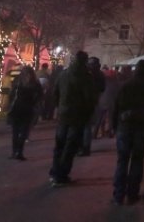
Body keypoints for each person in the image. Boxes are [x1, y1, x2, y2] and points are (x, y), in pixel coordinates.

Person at [49, 51, 97, 187]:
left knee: (60, 144)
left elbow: (55, 93)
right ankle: (62, 174)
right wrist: (88, 112)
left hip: (64, 114)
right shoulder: (86, 77)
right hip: (78, 115)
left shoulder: (63, 74)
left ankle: (55, 172)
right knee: (70, 145)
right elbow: (90, 98)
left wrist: (59, 107)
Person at [111, 59, 144, 205]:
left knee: (122, 160)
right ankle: (132, 193)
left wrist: (114, 125)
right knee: (137, 160)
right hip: (141, 127)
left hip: (125, 125)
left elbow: (116, 106)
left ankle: (118, 194)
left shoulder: (126, 85)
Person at [7, 67, 43, 160]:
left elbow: (12, 95)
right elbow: (40, 96)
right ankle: (19, 152)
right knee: (22, 132)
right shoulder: (35, 84)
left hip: (18, 109)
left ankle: (15, 152)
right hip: (27, 109)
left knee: (16, 132)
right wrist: (35, 104)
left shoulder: (18, 82)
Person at [80, 56, 106, 156]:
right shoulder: (100, 74)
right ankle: (86, 147)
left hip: (84, 101)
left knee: (84, 125)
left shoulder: (86, 74)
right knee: (88, 125)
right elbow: (102, 88)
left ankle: (82, 146)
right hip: (94, 101)